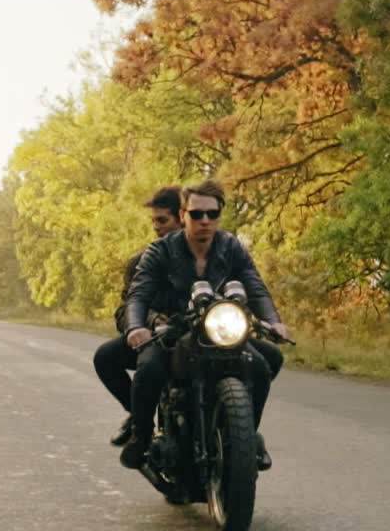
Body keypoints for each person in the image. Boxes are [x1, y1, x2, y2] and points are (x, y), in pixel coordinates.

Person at [121, 180, 289, 471]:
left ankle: (247, 436)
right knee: (149, 369)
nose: (205, 221)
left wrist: (274, 322)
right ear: (184, 214)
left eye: (212, 214)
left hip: (218, 327)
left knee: (264, 364)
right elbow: (138, 294)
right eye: (197, 214)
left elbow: (255, 286)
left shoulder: (231, 246)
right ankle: (141, 435)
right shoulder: (160, 250)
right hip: (175, 331)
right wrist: (137, 326)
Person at [92, 186, 184, 447]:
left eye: (162, 220)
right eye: (153, 221)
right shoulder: (140, 262)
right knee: (105, 357)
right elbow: (124, 311)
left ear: (181, 217)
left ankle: (241, 437)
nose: (156, 227)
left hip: (198, 336)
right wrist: (149, 322)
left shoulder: (207, 255)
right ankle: (138, 415)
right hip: (155, 338)